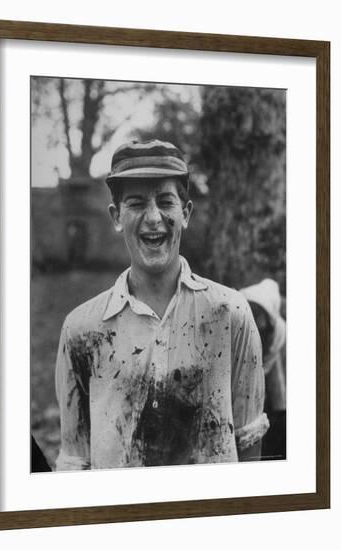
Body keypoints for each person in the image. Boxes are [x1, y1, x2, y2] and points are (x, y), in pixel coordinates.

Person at [55, 139, 268, 470]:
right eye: (137, 203)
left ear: (185, 213)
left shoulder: (231, 315)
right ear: (116, 216)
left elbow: (249, 441)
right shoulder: (81, 331)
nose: (153, 217)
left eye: (165, 202)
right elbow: (75, 460)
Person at [240, 279, 286, 460]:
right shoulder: (243, 306)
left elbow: (267, 364)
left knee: (278, 399)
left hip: (271, 358)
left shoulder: (279, 333)